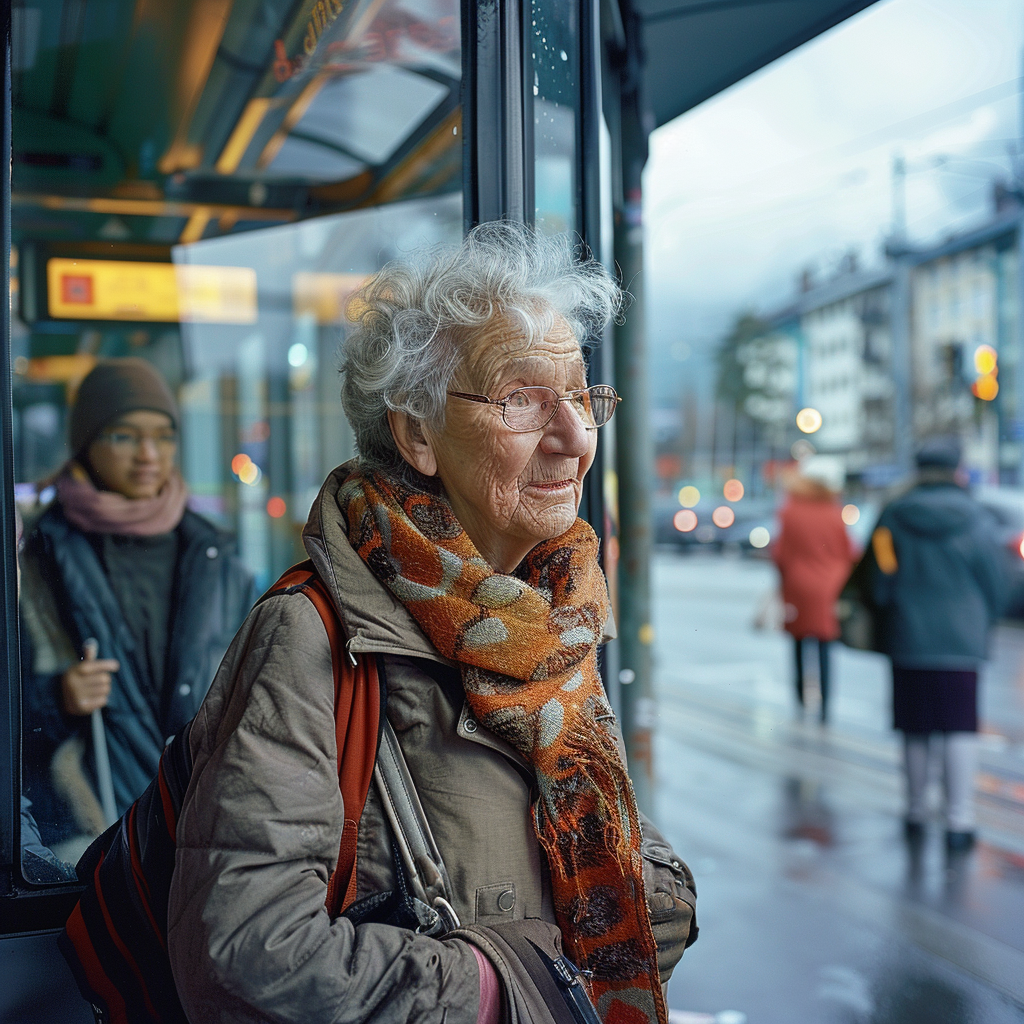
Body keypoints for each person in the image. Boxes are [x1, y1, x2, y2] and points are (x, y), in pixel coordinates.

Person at [167, 224, 696, 1024]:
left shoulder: (552, 618)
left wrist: (650, 892)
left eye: (583, 396)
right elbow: (245, 951)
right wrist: (500, 985)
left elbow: (625, 857)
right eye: (522, 399)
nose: (575, 438)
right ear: (416, 432)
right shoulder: (310, 636)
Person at [19, 358, 256, 857]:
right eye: (125, 437)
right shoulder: (39, 554)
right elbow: (12, 713)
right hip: (93, 827)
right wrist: (57, 698)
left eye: (164, 436)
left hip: (202, 823)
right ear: (88, 442)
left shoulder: (215, 553)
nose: (149, 454)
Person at [867, 437, 1006, 851]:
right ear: (957, 470)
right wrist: (980, 618)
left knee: (915, 727)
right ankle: (959, 821)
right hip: (962, 640)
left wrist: (891, 608)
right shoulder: (978, 518)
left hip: (909, 638)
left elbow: (879, 577)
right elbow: (997, 583)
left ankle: (915, 812)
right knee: (960, 727)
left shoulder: (891, 516)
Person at [772, 455, 857, 723]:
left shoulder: (790, 511)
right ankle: (825, 708)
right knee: (825, 646)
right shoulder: (834, 512)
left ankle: (800, 699)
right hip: (830, 587)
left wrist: (785, 580)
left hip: (798, 585)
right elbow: (849, 552)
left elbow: (780, 553)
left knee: (798, 644)